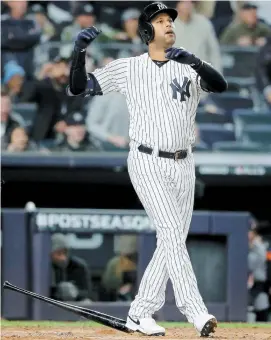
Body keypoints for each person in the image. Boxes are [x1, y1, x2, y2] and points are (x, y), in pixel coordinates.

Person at [67, 2, 227, 336]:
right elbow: (80, 87)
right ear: (146, 31)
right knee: (170, 234)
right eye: (160, 20)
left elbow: (220, 85)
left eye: (170, 19)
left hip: (184, 162)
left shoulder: (188, 63)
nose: (168, 24)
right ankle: (196, 312)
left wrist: (195, 62)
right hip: (147, 158)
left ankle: (140, 312)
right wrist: (80, 52)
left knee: (172, 240)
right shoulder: (129, 67)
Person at [50, 233, 92, 302]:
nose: (63, 258)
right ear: (51, 254)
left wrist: (75, 292)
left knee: (87, 301)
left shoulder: (79, 266)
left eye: (65, 253)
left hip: (75, 303)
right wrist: (57, 291)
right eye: (59, 253)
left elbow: (87, 292)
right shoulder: (45, 268)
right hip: (52, 303)